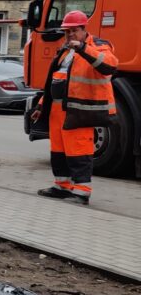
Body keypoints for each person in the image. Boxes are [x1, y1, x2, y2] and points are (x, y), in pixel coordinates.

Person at [30, 11, 117, 205]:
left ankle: (82, 191)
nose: (69, 35)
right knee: (58, 150)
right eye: (66, 31)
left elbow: (109, 66)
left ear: (84, 29)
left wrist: (83, 48)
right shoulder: (64, 51)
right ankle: (62, 186)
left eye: (74, 31)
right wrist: (41, 106)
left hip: (80, 109)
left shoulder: (100, 46)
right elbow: (56, 80)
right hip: (58, 109)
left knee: (79, 149)